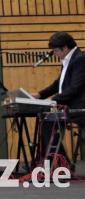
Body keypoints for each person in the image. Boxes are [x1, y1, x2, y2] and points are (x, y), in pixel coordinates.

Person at [32, 32, 85, 164]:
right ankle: (57, 162)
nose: (54, 54)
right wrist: (40, 95)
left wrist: (53, 101)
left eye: (56, 50)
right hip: (68, 105)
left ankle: (58, 163)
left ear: (65, 48)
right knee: (46, 119)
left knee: (48, 121)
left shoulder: (80, 59)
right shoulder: (69, 59)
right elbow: (59, 84)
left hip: (79, 106)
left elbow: (75, 88)